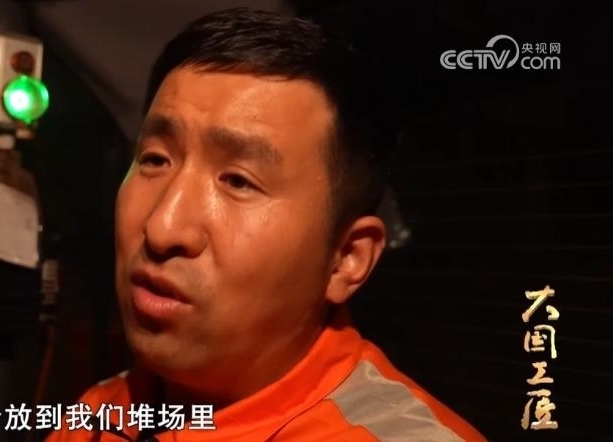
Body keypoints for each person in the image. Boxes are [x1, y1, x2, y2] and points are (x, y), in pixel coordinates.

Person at [47, 7, 485, 441]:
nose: (162, 228)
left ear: (346, 258)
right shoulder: (96, 417)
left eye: (238, 181)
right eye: (156, 159)